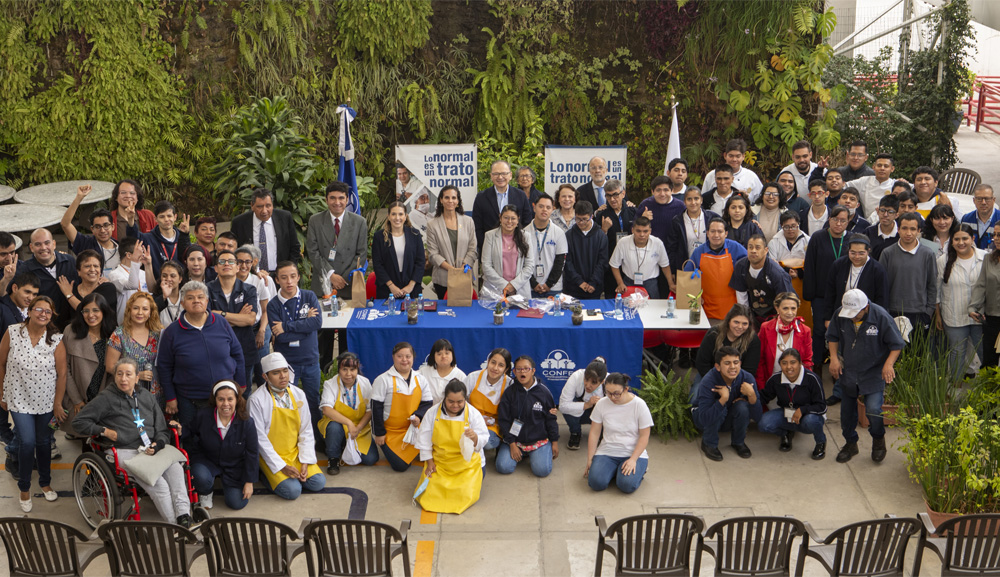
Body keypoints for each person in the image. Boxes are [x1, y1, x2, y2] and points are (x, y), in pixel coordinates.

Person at [74, 358, 193, 525]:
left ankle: (184, 517)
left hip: (151, 449)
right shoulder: (106, 398)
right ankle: (176, 526)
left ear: (137, 377)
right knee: (158, 483)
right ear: (114, 377)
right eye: (119, 374)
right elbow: (78, 422)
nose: (123, 379)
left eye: (128, 374)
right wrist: (104, 431)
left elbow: (161, 429)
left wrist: (158, 444)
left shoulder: (146, 396)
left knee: (176, 470)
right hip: (124, 451)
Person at [0, 295, 66, 510]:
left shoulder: (56, 339)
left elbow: (62, 374)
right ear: (29, 311)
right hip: (18, 398)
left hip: (46, 401)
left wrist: (58, 403)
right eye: (39, 309)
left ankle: (45, 483)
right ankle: (25, 487)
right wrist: (1, 393)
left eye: (48, 311)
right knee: (27, 442)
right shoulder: (12, 332)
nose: (43, 314)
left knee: (44, 442)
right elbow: (0, 363)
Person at [828, 289, 904, 463]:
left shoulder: (881, 317)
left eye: (856, 314)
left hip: (873, 372)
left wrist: (888, 364)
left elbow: (896, 344)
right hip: (849, 371)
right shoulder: (840, 314)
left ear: (866, 307)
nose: (852, 317)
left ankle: (878, 441)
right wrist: (833, 358)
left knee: (873, 410)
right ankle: (850, 444)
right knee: (847, 414)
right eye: (849, 314)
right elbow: (832, 336)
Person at [158, 281, 246, 431]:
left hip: (223, 397)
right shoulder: (172, 332)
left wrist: (241, 384)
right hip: (189, 400)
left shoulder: (221, 323)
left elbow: (237, 354)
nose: (196, 301)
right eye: (190, 298)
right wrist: (170, 397)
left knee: (226, 435)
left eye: (200, 297)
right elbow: (164, 366)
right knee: (192, 438)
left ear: (207, 300)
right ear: (183, 303)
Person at [306, 181, 368, 367]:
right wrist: (331, 275)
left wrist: (343, 278)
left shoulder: (359, 222)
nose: (337, 202)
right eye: (332, 198)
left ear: (347, 199)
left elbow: (362, 254)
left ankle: (346, 372)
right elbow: (312, 252)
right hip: (323, 286)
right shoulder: (315, 220)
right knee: (323, 338)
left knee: (346, 337)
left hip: (348, 287)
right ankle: (322, 374)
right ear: (326, 200)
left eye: (341, 198)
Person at [249, 352, 325, 500]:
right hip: (270, 456)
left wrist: (305, 460)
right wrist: (281, 466)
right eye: (276, 373)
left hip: (294, 453)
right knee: (293, 491)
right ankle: (264, 474)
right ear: (265, 376)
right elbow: (259, 439)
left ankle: (288, 476)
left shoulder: (298, 394)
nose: (283, 376)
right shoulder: (256, 400)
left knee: (318, 482)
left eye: (285, 371)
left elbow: (306, 430)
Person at [414, 379, 489, 514]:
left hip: (467, 465)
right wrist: (429, 462)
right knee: (429, 495)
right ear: (444, 398)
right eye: (451, 401)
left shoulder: (473, 414)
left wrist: (475, 438)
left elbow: (484, 438)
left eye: (460, 402)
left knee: (464, 493)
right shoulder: (432, 413)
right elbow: (424, 441)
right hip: (440, 463)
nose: (455, 405)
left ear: (465, 399)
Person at [266, 261, 323, 431]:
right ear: (277, 280)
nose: (289, 281)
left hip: (310, 360)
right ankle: (293, 437)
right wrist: (306, 326)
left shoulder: (309, 296)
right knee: (289, 402)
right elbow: (281, 337)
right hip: (287, 365)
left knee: (313, 401)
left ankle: (317, 438)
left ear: (298, 277)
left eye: (292, 276)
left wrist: (287, 326)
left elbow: (317, 323)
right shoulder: (273, 305)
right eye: (284, 278)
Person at [185, 380, 258, 510]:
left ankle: (228, 484)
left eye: (230, 399)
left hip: (234, 465)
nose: (225, 404)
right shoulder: (203, 415)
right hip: (207, 459)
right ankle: (206, 492)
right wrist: (181, 433)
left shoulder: (247, 422)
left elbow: (252, 453)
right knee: (201, 476)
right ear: (215, 400)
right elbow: (189, 431)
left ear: (237, 400)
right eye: (221, 399)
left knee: (236, 503)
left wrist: (249, 481)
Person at [803, 205, 851, 379]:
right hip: (821, 295)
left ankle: (838, 366)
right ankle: (816, 365)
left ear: (848, 221)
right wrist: (809, 294)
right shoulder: (818, 237)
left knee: (842, 332)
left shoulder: (851, 239)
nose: (838, 224)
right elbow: (810, 266)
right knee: (819, 330)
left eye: (843, 220)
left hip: (844, 296)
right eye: (835, 219)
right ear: (829, 219)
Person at [585, 373, 652, 493]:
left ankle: (638, 469)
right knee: (595, 483)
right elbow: (594, 432)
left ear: (626, 389)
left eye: (616, 393)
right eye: (608, 393)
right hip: (607, 451)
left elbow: (644, 435)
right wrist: (590, 458)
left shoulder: (639, 405)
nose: (612, 397)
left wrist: (633, 459)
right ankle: (614, 471)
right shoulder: (602, 404)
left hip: (632, 452)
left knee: (626, 485)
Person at [692, 346, 762, 461]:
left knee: (742, 406)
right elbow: (703, 419)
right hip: (703, 418)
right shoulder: (708, 381)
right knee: (719, 405)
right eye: (727, 363)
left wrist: (752, 395)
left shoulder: (747, 378)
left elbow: (758, 417)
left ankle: (738, 442)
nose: (733, 367)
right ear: (718, 367)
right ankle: (709, 443)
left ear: (740, 364)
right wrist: (723, 399)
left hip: (726, 418)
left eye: (736, 362)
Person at [371, 342, 433, 472]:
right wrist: (379, 433)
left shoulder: (420, 379)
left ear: (413, 358)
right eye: (400, 356)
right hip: (391, 431)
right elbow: (376, 408)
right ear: (393, 357)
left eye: (408, 356)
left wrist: (418, 416)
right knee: (400, 466)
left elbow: (427, 403)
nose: (404, 360)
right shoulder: (383, 379)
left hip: (413, 429)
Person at [62, 293, 115, 438]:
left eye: (96, 310)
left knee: (101, 436)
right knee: (83, 434)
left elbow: (115, 370)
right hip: (77, 394)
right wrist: (76, 399)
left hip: (103, 394)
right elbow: (64, 368)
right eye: (86, 311)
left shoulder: (113, 333)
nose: (90, 315)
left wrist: (105, 398)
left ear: (104, 311)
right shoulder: (70, 331)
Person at [496, 355, 559, 477]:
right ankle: (520, 453)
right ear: (514, 372)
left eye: (526, 368)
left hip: (538, 441)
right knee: (503, 467)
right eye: (519, 369)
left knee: (542, 471)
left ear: (533, 371)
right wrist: (512, 444)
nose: (522, 372)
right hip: (515, 441)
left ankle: (537, 453)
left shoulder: (544, 392)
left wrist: (555, 441)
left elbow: (551, 419)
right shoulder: (509, 393)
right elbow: (503, 420)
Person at [758, 349, 827, 459]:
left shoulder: (812, 379)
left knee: (811, 421)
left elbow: (822, 407)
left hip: (808, 414)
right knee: (764, 423)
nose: (789, 367)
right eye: (784, 363)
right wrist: (747, 398)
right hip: (787, 414)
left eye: (793, 362)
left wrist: (802, 410)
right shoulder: (776, 379)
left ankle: (820, 441)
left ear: (800, 363)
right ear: (780, 365)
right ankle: (785, 433)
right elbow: (764, 396)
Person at [938, 225, 986, 378]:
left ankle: (989, 385)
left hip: (980, 315)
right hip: (954, 315)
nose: (961, 243)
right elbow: (937, 290)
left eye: (965, 238)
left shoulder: (985, 257)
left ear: (972, 239)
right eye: (956, 239)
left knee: (984, 350)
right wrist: (937, 314)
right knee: (957, 351)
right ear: (951, 241)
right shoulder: (943, 261)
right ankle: (955, 386)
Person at [208, 249, 259, 392]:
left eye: (231, 261)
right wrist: (238, 317)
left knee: (243, 393)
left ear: (237, 267)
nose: (226, 264)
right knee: (219, 392)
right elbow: (207, 321)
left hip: (244, 348)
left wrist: (220, 314)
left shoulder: (249, 290)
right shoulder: (207, 289)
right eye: (222, 261)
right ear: (216, 268)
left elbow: (250, 320)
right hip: (217, 350)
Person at [319, 352, 378, 474]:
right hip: (337, 423)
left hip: (359, 427)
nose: (348, 374)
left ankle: (343, 444)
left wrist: (358, 427)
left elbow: (370, 410)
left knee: (371, 459)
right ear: (339, 370)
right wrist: (349, 423)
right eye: (344, 369)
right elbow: (326, 409)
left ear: (357, 369)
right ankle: (333, 458)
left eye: (352, 369)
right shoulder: (330, 384)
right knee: (334, 428)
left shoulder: (365, 383)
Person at [690, 304, 760, 404]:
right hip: (710, 374)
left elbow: (749, 370)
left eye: (745, 324)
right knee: (695, 399)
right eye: (736, 322)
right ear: (728, 321)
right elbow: (702, 363)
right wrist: (717, 383)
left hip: (737, 379)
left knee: (741, 406)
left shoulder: (752, 340)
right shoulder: (713, 334)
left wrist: (731, 386)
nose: (740, 327)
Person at [880, 212, 938, 332]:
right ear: (898, 230)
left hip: (919, 312)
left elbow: (932, 284)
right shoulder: (887, 253)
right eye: (904, 228)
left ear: (919, 231)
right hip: (893, 311)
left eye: (913, 229)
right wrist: (884, 310)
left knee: (918, 344)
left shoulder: (928, 254)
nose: (908, 233)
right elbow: (881, 285)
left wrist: (929, 311)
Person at [106, 291, 164, 408]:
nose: (140, 312)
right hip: (128, 392)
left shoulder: (157, 333)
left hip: (155, 392)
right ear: (129, 310)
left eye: (145, 309)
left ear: (151, 312)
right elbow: (110, 366)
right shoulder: (119, 334)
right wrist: (137, 375)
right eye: (136, 308)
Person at [822, 234, 889, 334]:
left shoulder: (878, 270)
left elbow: (882, 299)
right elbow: (830, 293)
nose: (857, 257)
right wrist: (828, 318)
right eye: (853, 253)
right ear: (848, 250)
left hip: (866, 319)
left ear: (868, 251)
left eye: (861, 253)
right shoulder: (838, 265)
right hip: (842, 315)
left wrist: (877, 321)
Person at [0, 273, 38, 447]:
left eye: (35, 294)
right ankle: (6, 437)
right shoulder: (3, 308)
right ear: (15, 288)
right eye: (27, 292)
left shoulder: (30, 310)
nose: (31, 297)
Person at [687, 218, 748, 322]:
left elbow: (748, 269)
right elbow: (687, 276)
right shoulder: (698, 252)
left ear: (726, 233)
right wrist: (694, 296)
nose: (716, 235)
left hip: (732, 310)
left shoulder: (736, 248)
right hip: (706, 309)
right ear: (707, 233)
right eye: (713, 231)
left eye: (720, 231)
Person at [230, 188, 302, 274]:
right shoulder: (239, 222)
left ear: (272, 205)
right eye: (259, 206)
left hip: (280, 275)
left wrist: (289, 270)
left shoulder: (284, 218)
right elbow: (234, 250)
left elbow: (295, 247)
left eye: (268, 206)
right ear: (252, 206)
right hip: (251, 274)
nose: (264, 211)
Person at [425, 185, 478, 300]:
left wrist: (463, 267)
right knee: (445, 310)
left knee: (464, 310)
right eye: (447, 197)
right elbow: (433, 255)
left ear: (458, 201)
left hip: (464, 276)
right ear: (441, 200)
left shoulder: (468, 221)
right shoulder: (432, 224)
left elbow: (473, 249)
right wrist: (453, 271)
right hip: (443, 279)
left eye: (454, 198)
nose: (450, 201)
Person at [17, 228, 78, 329]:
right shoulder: (25, 269)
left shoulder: (70, 261)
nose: (43, 247)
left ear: (54, 244)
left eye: (47, 243)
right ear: (31, 247)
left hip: (72, 326)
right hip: (42, 327)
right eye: (38, 244)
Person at [729, 234, 793, 326]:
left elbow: (786, 301)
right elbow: (741, 296)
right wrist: (746, 318)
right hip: (753, 313)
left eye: (757, 247)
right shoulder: (741, 266)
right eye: (750, 247)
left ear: (766, 250)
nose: (753, 251)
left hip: (775, 315)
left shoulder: (777, 273)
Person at [756, 292, 813, 388]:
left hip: (796, 385)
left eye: (793, 308)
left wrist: (804, 386)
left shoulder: (805, 331)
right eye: (785, 308)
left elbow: (807, 362)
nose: (790, 313)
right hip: (771, 384)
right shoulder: (765, 328)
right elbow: (760, 361)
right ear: (777, 308)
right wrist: (762, 388)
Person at [472, 160, 532, 251]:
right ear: (491, 176)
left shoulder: (521, 195)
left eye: (504, 173)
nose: (500, 177)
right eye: (496, 174)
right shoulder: (481, 197)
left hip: (516, 249)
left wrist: (519, 245)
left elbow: (527, 223)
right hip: (489, 250)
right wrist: (487, 246)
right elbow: (477, 227)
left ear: (510, 175)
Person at [235, 245, 274, 386]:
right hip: (239, 329)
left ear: (253, 263)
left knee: (262, 369)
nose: (243, 265)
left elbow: (266, 309)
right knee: (245, 370)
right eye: (239, 261)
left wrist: (262, 331)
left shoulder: (258, 281)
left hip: (259, 326)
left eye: (247, 262)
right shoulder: (228, 280)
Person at [372, 201, 426, 300]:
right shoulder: (379, 237)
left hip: (411, 290)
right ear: (388, 216)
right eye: (393, 214)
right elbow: (377, 264)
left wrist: (411, 285)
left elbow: (420, 262)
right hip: (387, 290)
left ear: (405, 216)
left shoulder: (415, 234)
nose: (397, 218)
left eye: (400, 214)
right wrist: (391, 286)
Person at [61, 184, 120, 275]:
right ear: (92, 229)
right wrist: (79, 197)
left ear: (113, 226)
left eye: (106, 225)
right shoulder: (85, 244)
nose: (102, 230)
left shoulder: (121, 248)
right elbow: (65, 224)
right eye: (98, 227)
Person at [610, 216, 673, 299]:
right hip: (628, 282)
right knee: (627, 306)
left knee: (652, 306)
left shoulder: (658, 243)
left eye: (645, 231)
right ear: (632, 230)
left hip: (650, 284)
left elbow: (665, 265)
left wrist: (671, 284)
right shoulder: (623, 242)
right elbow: (614, 265)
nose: (642, 234)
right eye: (638, 231)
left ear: (650, 231)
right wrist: (620, 283)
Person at [463, 348, 512, 452]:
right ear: (488, 362)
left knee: (488, 443)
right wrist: (477, 419)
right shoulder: (473, 377)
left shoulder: (509, 384)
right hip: (470, 419)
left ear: (506, 369)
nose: (495, 368)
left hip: (492, 425)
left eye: (501, 365)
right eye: (493, 362)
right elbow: (460, 400)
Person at [481, 204, 535, 299]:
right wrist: (505, 285)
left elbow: (529, 265)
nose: (509, 221)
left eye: (513, 218)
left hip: (519, 290)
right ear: (500, 218)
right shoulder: (490, 236)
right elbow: (486, 265)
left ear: (518, 219)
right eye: (506, 218)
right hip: (494, 290)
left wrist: (514, 285)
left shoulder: (526, 236)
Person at [667, 186, 718, 279]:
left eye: (696, 198)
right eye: (689, 199)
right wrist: (673, 271)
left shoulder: (712, 218)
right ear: (684, 201)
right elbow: (672, 248)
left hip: (710, 266)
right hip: (686, 267)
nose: (693, 202)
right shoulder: (677, 221)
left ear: (701, 200)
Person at [564, 201, 610, 300]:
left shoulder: (601, 236)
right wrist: (579, 281)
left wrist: (593, 282)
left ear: (591, 216)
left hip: (594, 288)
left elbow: (603, 262)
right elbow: (567, 262)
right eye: (578, 219)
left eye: (584, 219)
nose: (581, 222)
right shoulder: (569, 235)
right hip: (573, 288)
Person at [558, 358, 607, 450]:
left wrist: (602, 404)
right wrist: (587, 404)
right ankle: (575, 432)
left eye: (594, 382)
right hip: (582, 411)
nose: (588, 385)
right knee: (568, 406)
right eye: (586, 379)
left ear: (602, 382)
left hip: (599, 413)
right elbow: (563, 406)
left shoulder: (610, 382)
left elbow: (617, 409)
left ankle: (603, 434)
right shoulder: (576, 376)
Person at [595, 179, 636, 291]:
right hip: (610, 263)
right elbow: (596, 243)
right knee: (612, 296)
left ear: (623, 193)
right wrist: (604, 230)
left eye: (615, 195)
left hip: (630, 262)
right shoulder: (601, 215)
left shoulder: (633, 211)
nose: (612, 199)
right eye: (608, 196)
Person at [58, 249, 118, 322]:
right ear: (78, 271)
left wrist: (69, 295)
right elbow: (64, 320)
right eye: (87, 266)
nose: (92, 269)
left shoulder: (108, 288)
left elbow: (90, 313)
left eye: (96, 266)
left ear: (100, 270)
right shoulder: (71, 290)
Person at [526, 193, 568, 298]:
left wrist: (549, 284)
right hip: (529, 287)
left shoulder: (559, 233)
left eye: (548, 207)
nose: (544, 210)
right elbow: (522, 262)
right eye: (541, 206)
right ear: (534, 207)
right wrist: (533, 284)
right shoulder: (524, 233)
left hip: (553, 288)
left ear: (552, 209)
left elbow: (560, 262)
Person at [137, 200, 191, 278]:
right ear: (155, 219)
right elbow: (132, 236)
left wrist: (185, 235)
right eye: (162, 216)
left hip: (181, 282)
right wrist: (131, 221)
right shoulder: (147, 238)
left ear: (175, 217)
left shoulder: (182, 237)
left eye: (169, 216)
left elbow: (188, 257)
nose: (166, 219)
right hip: (157, 283)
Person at [106, 237, 153, 323]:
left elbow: (153, 289)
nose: (142, 256)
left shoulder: (143, 273)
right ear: (128, 255)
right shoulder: (114, 275)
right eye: (139, 253)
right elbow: (132, 285)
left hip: (145, 323)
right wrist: (135, 261)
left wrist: (148, 265)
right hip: (125, 324)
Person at [970, 233, 1000, 368]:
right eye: (995, 235)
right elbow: (981, 285)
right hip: (992, 318)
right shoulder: (989, 258)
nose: (996, 238)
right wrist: (972, 308)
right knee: (989, 361)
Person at [702, 138, 763, 202]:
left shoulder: (751, 177)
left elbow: (760, 200)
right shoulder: (711, 176)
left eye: (738, 156)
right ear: (725, 155)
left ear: (743, 156)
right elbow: (703, 201)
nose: (734, 159)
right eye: (731, 156)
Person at [639, 171, 687, 249]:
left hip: (673, 250)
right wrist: (642, 219)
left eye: (666, 190)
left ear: (671, 190)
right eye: (658, 190)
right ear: (652, 191)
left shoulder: (681, 206)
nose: (662, 194)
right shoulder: (645, 205)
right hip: (650, 250)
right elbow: (633, 229)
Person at [846, 153, 896, 218]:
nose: (882, 168)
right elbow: (843, 185)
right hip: (867, 222)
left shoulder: (895, 185)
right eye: (879, 165)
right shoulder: (864, 181)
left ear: (892, 169)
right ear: (874, 167)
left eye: (886, 166)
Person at [418, 339, 467, 404]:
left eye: (447, 353)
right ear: (433, 356)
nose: (443, 356)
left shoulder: (460, 376)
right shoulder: (423, 372)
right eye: (439, 354)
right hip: (427, 410)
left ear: (452, 355)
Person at [779, 140, 820, 205]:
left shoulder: (819, 169)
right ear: (793, 157)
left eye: (805, 156)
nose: (801, 160)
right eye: (798, 157)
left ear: (810, 155)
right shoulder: (786, 172)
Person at [961, 184, 1000, 250]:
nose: (983, 202)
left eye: (987, 199)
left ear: (993, 200)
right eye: (979, 199)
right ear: (974, 200)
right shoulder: (966, 220)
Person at [865, 195, 901, 260]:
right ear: (877, 211)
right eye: (882, 210)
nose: (885, 215)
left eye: (890, 212)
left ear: (896, 215)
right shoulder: (868, 232)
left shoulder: (900, 234)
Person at [155, 261, 185, 326]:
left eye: (172, 276)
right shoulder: (155, 298)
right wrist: (164, 296)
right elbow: (151, 312)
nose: (168, 279)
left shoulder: (186, 298)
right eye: (164, 276)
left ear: (180, 279)